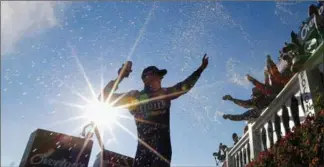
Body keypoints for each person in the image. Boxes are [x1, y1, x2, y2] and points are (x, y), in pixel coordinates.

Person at [99, 54, 209, 167]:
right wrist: (120, 77)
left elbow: (184, 86)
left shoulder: (165, 93)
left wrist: (200, 70)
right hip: (142, 155)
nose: (161, 78)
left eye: (161, 76)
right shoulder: (135, 97)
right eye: (158, 75)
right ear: (147, 78)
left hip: (161, 155)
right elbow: (103, 98)